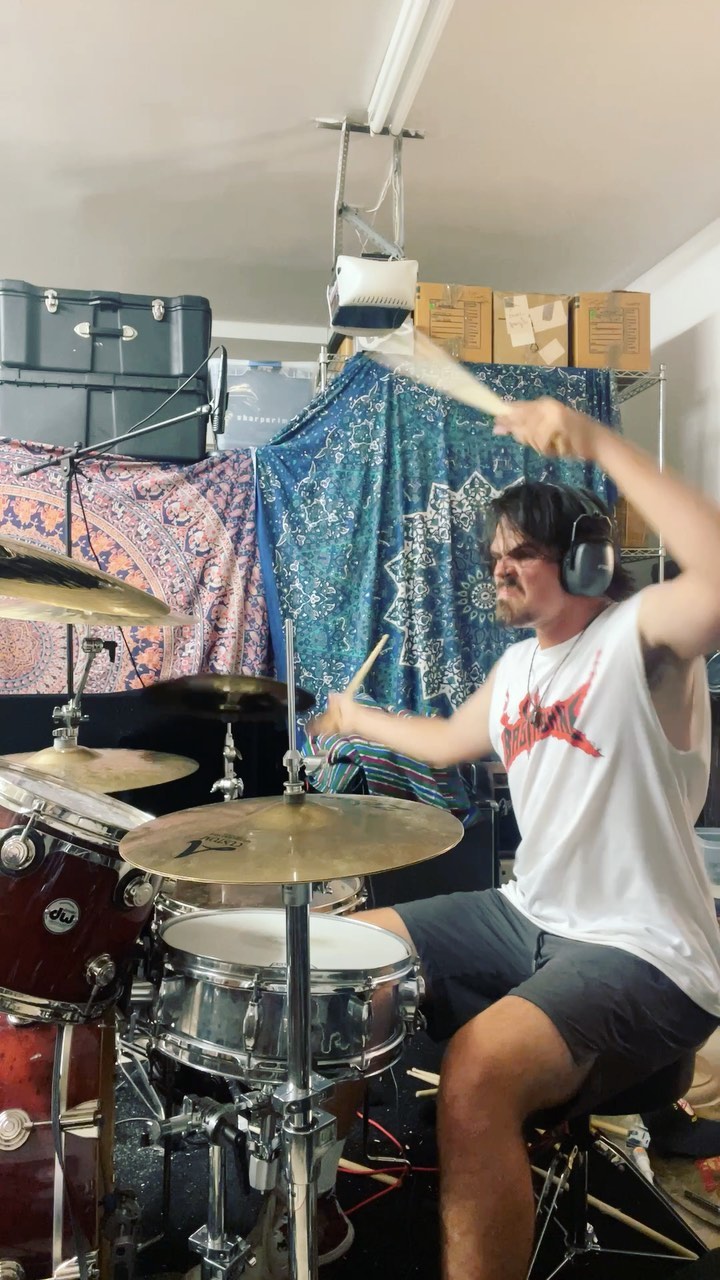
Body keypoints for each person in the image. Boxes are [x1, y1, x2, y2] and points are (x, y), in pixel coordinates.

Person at [308, 396, 720, 1280]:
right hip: (528, 912)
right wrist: (352, 716)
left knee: (477, 1072)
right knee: (340, 965)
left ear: (586, 560)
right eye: (494, 555)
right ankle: (318, 1205)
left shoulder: (640, 640)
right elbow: (444, 742)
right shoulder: (517, 668)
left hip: (644, 947)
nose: (499, 567)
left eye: (521, 551)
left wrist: (597, 440)